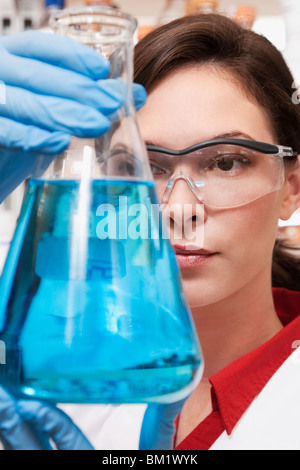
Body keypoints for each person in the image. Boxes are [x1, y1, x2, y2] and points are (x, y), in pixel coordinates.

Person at [1, 12, 300, 450]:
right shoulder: (54, 367)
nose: (179, 209)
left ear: (292, 186)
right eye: (144, 164)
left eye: (226, 162)